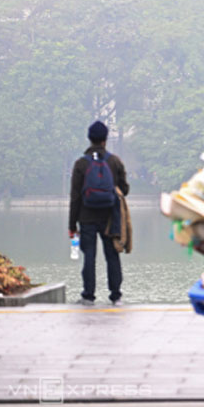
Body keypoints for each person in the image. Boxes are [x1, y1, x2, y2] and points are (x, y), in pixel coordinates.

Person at [68, 121, 129, 306]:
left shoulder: (80, 164)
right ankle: (116, 295)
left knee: (89, 257)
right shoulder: (114, 161)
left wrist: (72, 225)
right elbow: (124, 190)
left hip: (86, 218)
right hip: (110, 218)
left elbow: (75, 197)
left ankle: (88, 296)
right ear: (105, 139)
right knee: (112, 255)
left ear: (89, 138)